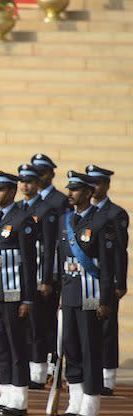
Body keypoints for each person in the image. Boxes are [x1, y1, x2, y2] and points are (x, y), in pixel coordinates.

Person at [55, 171, 116, 416]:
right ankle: (74, 402)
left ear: (89, 193)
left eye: (76, 189)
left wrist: (105, 300)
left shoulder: (102, 222)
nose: (70, 193)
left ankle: (89, 406)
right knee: (71, 347)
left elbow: (108, 265)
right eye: (69, 188)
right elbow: (61, 261)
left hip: (90, 295)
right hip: (69, 295)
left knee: (90, 348)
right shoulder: (65, 221)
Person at [0, 170, 37, 416]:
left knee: (17, 345)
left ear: (13, 191)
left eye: (1, 189)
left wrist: (28, 297)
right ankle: (6, 395)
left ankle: (19, 398)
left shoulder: (23, 219)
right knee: (1, 344)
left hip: (15, 293)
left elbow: (28, 262)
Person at [16, 163, 59, 389]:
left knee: (41, 324)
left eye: (29, 182)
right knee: (23, 325)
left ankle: (41, 370)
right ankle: (27, 367)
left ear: (37, 184)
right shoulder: (16, 209)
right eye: (22, 181)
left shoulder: (46, 210)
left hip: (39, 273)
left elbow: (51, 247)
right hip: (19, 276)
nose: (25, 185)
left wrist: (46, 279)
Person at [87, 164, 128, 396]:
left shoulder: (115, 214)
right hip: (85, 280)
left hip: (106, 280)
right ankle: (90, 374)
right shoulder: (82, 214)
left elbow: (120, 251)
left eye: (98, 183)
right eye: (90, 183)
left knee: (106, 328)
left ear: (107, 185)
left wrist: (120, 283)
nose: (94, 187)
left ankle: (107, 376)